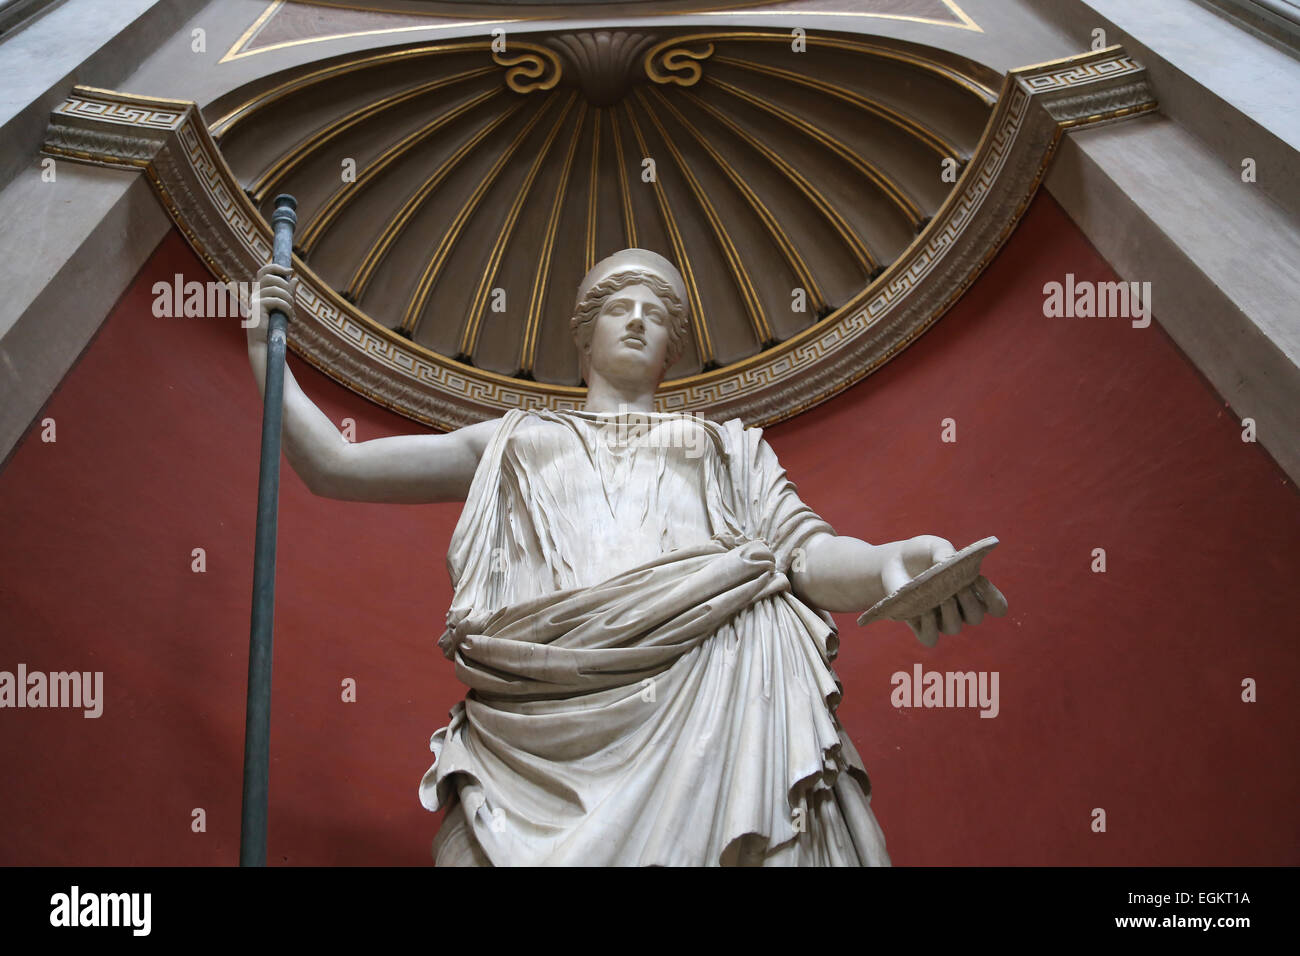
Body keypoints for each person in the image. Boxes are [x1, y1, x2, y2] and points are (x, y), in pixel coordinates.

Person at [249, 248, 1006, 866]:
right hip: (537, 729)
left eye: (658, 314)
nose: (639, 321)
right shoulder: (514, 441)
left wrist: (887, 565)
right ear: (584, 335)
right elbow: (334, 469)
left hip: (718, 700)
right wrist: (267, 353)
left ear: (674, 347)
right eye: (621, 307)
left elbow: (803, 553)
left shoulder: (725, 448)